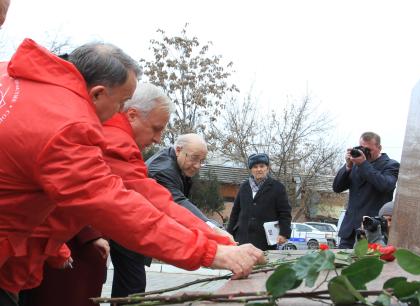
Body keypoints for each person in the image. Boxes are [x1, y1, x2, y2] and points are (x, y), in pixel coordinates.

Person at [0, 39, 264, 304]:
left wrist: (53, 244)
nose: (121, 113)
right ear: (98, 93)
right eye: (121, 103)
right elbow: (122, 208)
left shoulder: (11, 78)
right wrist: (212, 251)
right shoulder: (69, 128)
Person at [103, 83, 233, 298]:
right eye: (156, 129)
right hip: (122, 236)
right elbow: (169, 205)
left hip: (109, 237)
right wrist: (213, 240)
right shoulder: (158, 167)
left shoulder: (169, 164)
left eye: (202, 161)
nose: (158, 138)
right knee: (131, 286)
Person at [146, 133, 230, 232]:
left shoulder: (178, 165)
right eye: (194, 158)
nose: (197, 166)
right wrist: (213, 228)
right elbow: (179, 204)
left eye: (202, 161)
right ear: (178, 150)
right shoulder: (163, 171)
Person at [333, 132, 400, 249]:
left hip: (373, 231)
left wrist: (363, 164)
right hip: (349, 231)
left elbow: (385, 185)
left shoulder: (391, 165)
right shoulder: (355, 164)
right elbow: (337, 187)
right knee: (342, 265)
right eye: (362, 148)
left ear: (379, 148)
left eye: (369, 149)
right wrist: (348, 166)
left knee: (368, 266)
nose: (365, 152)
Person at [227, 153, 292, 251]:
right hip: (242, 238)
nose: (259, 169)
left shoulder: (277, 188)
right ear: (251, 169)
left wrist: (284, 233)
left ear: (267, 168)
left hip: (265, 241)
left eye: (262, 166)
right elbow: (235, 212)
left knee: (264, 266)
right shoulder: (244, 187)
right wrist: (229, 234)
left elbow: (285, 213)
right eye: (255, 167)